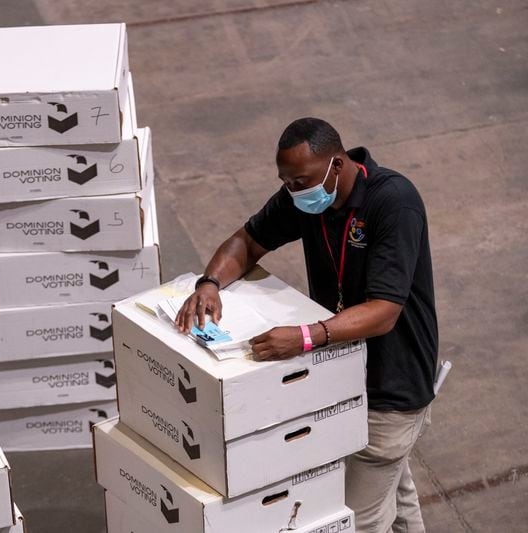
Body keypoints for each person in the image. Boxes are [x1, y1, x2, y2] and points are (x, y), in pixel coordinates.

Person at [175, 117, 437, 532]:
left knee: (358, 519)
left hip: (390, 387)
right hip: (341, 373)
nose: (295, 191)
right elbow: (247, 241)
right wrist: (209, 284)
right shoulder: (304, 197)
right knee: (394, 490)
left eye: (301, 181)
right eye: (287, 182)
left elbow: (385, 311)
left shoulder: (393, 203)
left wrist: (303, 338)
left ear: (336, 164)